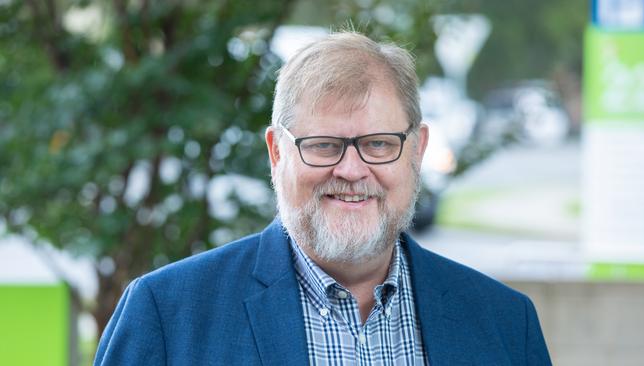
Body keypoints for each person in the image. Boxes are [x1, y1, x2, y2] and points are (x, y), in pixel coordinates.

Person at [94, 31, 552, 365]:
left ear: (417, 151)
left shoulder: (506, 326)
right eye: (323, 145)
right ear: (276, 152)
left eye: (378, 144)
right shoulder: (168, 317)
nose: (351, 171)